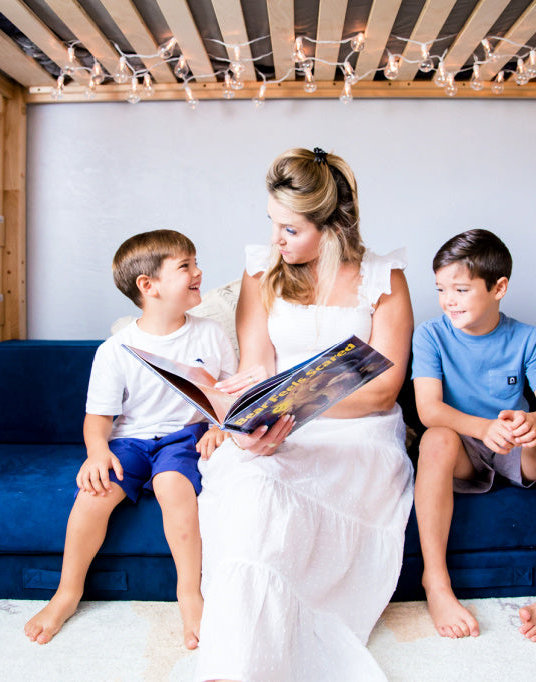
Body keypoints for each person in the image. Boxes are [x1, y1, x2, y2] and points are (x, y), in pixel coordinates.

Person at [192, 147, 415, 681]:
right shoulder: (261, 269)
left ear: (332, 225)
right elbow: (256, 366)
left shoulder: (385, 278)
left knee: (278, 482)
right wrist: (252, 423)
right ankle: (235, 666)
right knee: (250, 479)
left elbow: (384, 390)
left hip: (361, 436)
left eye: (290, 229)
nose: (276, 239)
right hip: (281, 426)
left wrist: (298, 408)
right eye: (273, 223)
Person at [23, 229, 237, 649]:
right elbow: (98, 418)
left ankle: (188, 594)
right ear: (148, 285)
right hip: (131, 440)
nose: (199, 272)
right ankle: (67, 593)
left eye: (195, 262)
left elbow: (228, 395)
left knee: (172, 485)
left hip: (184, 437)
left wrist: (218, 428)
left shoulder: (210, 334)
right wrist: (97, 452)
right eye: (185, 266)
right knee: (92, 496)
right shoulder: (116, 349)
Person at [411, 229, 536, 643]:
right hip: (463, 445)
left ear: (498, 287)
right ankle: (436, 583)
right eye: (441, 289)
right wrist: (482, 428)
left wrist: (534, 423)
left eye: (461, 289)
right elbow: (428, 409)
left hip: (513, 445)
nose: (448, 299)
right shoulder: (431, 335)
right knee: (434, 437)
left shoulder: (527, 338)